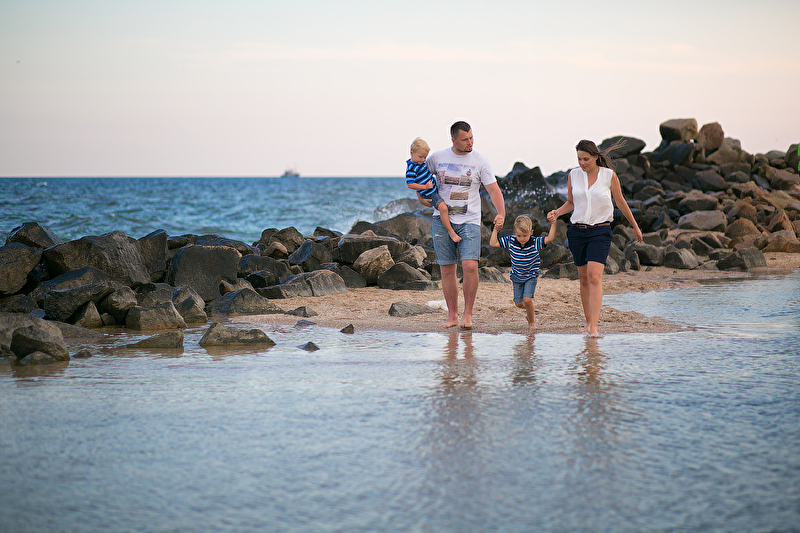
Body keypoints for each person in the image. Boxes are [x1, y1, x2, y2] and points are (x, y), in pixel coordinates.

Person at [547, 139, 643, 338]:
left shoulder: (609, 175)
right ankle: (588, 322)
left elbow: (620, 202)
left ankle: (594, 328)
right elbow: (571, 203)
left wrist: (635, 226)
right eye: (579, 159)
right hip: (577, 232)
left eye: (586, 159)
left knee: (594, 276)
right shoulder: (573, 175)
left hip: (600, 232)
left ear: (595, 157)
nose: (582, 163)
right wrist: (557, 212)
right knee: (583, 279)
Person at [420, 121, 505, 329]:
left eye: (471, 137)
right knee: (447, 269)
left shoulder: (480, 161)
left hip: (470, 221)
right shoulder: (437, 158)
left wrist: (501, 213)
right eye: (465, 139)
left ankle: (468, 315)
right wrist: (422, 198)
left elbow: (493, 190)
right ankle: (452, 316)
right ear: (453, 139)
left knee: (470, 266)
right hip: (442, 221)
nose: (470, 142)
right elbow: (419, 177)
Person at [490, 215, 558, 330]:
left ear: (531, 232)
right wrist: (496, 229)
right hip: (516, 276)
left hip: (531, 275)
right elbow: (493, 243)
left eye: (525, 236)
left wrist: (554, 223)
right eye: (519, 235)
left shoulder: (535, 242)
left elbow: (550, 238)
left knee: (527, 300)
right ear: (515, 233)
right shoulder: (511, 240)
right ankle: (530, 310)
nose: (522, 238)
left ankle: (532, 323)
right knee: (518, 303)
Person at [405, 137, 461, 243]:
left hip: (433, 190)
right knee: (443, 208)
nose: (423, 160)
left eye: (425, 157)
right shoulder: (411, 168)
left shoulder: (420, 163)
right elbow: (410, 184)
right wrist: (424, 188)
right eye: (420, 157)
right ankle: (451, 232)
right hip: (429, 194)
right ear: (412, 153)